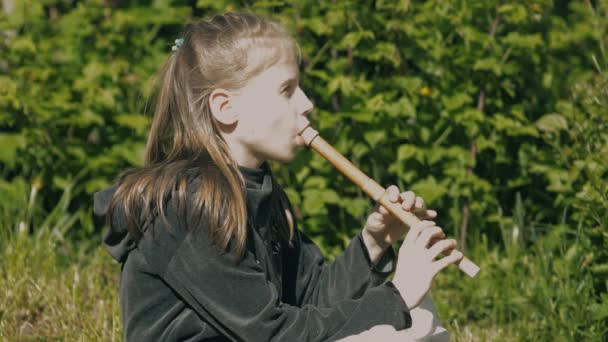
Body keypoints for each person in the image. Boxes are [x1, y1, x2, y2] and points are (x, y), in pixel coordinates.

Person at [93, 12, 463, 341]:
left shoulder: (258, 191)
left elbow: (311, 297)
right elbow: (273, 332)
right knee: (395, 325)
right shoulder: (186, 208)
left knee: (418, 312)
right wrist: (396, 296)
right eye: (287, 90)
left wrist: (375, 242)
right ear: (226, 107)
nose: (306, 104)